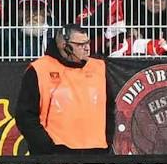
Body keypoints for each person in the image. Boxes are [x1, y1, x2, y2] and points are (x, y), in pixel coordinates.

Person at [12, 20, 109, 157]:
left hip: (97, 152)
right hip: (55, 155)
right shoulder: (39, 70)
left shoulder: (100, 67)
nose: (87, 48)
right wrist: (46, 148)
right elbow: (25, 116)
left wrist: (108, 143)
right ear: (65, 46)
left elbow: (111, 109)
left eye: (88, 43)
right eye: (81, 45)